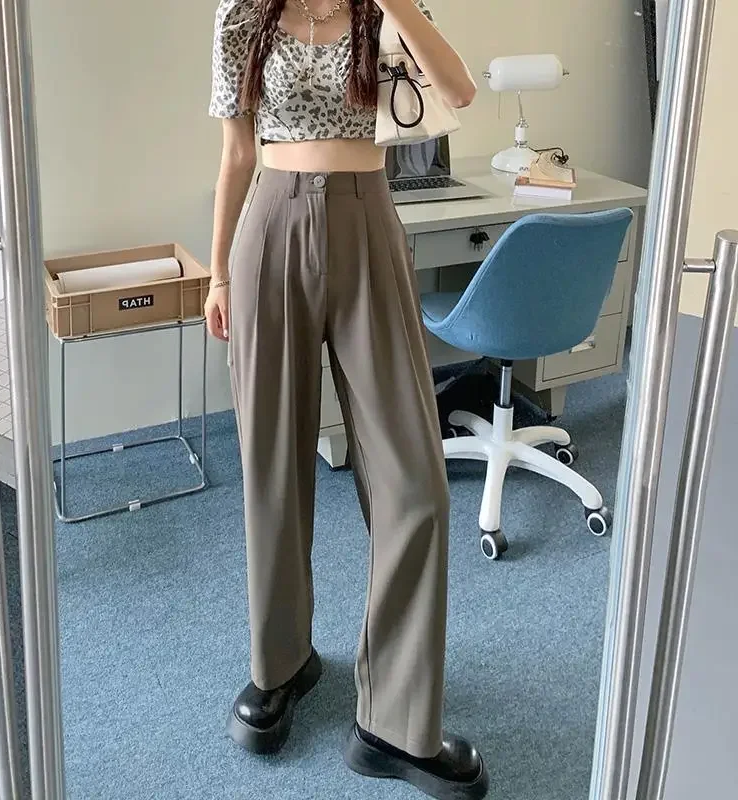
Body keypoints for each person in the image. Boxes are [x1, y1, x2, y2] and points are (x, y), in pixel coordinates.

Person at [206, 1, 487, 798]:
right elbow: (236, 151)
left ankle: (395, 722)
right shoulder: (243, 14)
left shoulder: (385, 12)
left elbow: (458, 91)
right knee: (271, 464)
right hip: (270, 225)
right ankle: (282, 663)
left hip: (369, 223)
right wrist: (219, 273)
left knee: (416, 484)